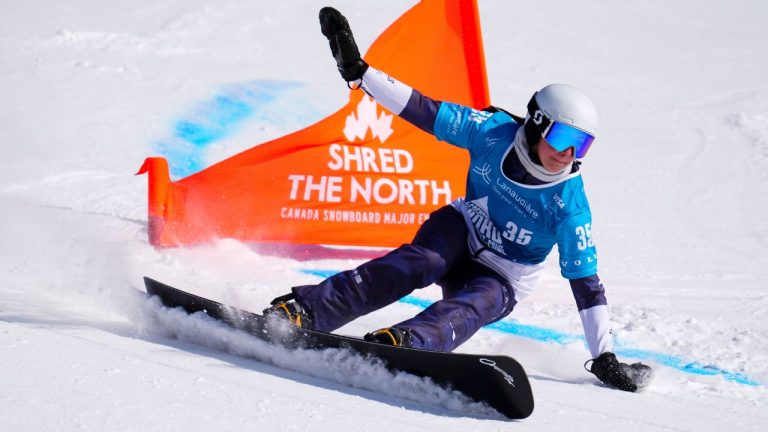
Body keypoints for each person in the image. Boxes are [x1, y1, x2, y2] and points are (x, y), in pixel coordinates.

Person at [264, 7, 651, 392]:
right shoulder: (492, 132)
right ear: (536, 124)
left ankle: (406, 343)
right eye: (563, 138)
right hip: (458, 231)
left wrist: (604, 357)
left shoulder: (569, 205)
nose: (569, 154)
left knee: (476, 303)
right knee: (420, 261)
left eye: (581, 144)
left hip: (504, 275)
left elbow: (587, 284)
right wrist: (360, 73)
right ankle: (306, 310)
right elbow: (423, 109)